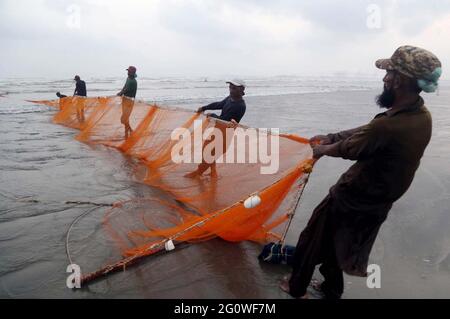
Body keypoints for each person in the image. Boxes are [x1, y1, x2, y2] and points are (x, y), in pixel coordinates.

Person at [280, 45, 442, 299]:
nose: (384, 79)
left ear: (399, 80)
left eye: (389, 74)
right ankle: (331, 289)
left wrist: (322, 150)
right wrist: (331, 136)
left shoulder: (389, 126)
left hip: (351, 198)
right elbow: (368, 130)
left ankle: (296, 287)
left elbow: (352, 147)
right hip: (377, 204)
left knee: (310, 241)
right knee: (338, 246)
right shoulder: (421, 115)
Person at [185, 79, 247, 178]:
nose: (231, 90)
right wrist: (204, 108)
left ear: (242, 89)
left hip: (225, 134)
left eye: (234, 88)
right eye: (230, 87)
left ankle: (198, 173)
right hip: (217, 130)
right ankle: (213, 172)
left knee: (209, 154)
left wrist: (212, 115)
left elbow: (225, 120)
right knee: (207, 149)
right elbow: (219, 104)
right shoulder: (230, 98)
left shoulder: (240, 106)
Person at [117, 66, 138, 139]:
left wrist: (120, 93)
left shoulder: (133, 82)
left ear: (132, 73)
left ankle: (130, 131)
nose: (128, 72)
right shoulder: (128, 78)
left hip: (129, 102)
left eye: (129, 71)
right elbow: (124, 86)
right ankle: (126, 133)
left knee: (124, 119)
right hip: (125, 100)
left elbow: (126, 90)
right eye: (128, 71)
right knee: (126, 118)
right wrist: (120, 92)